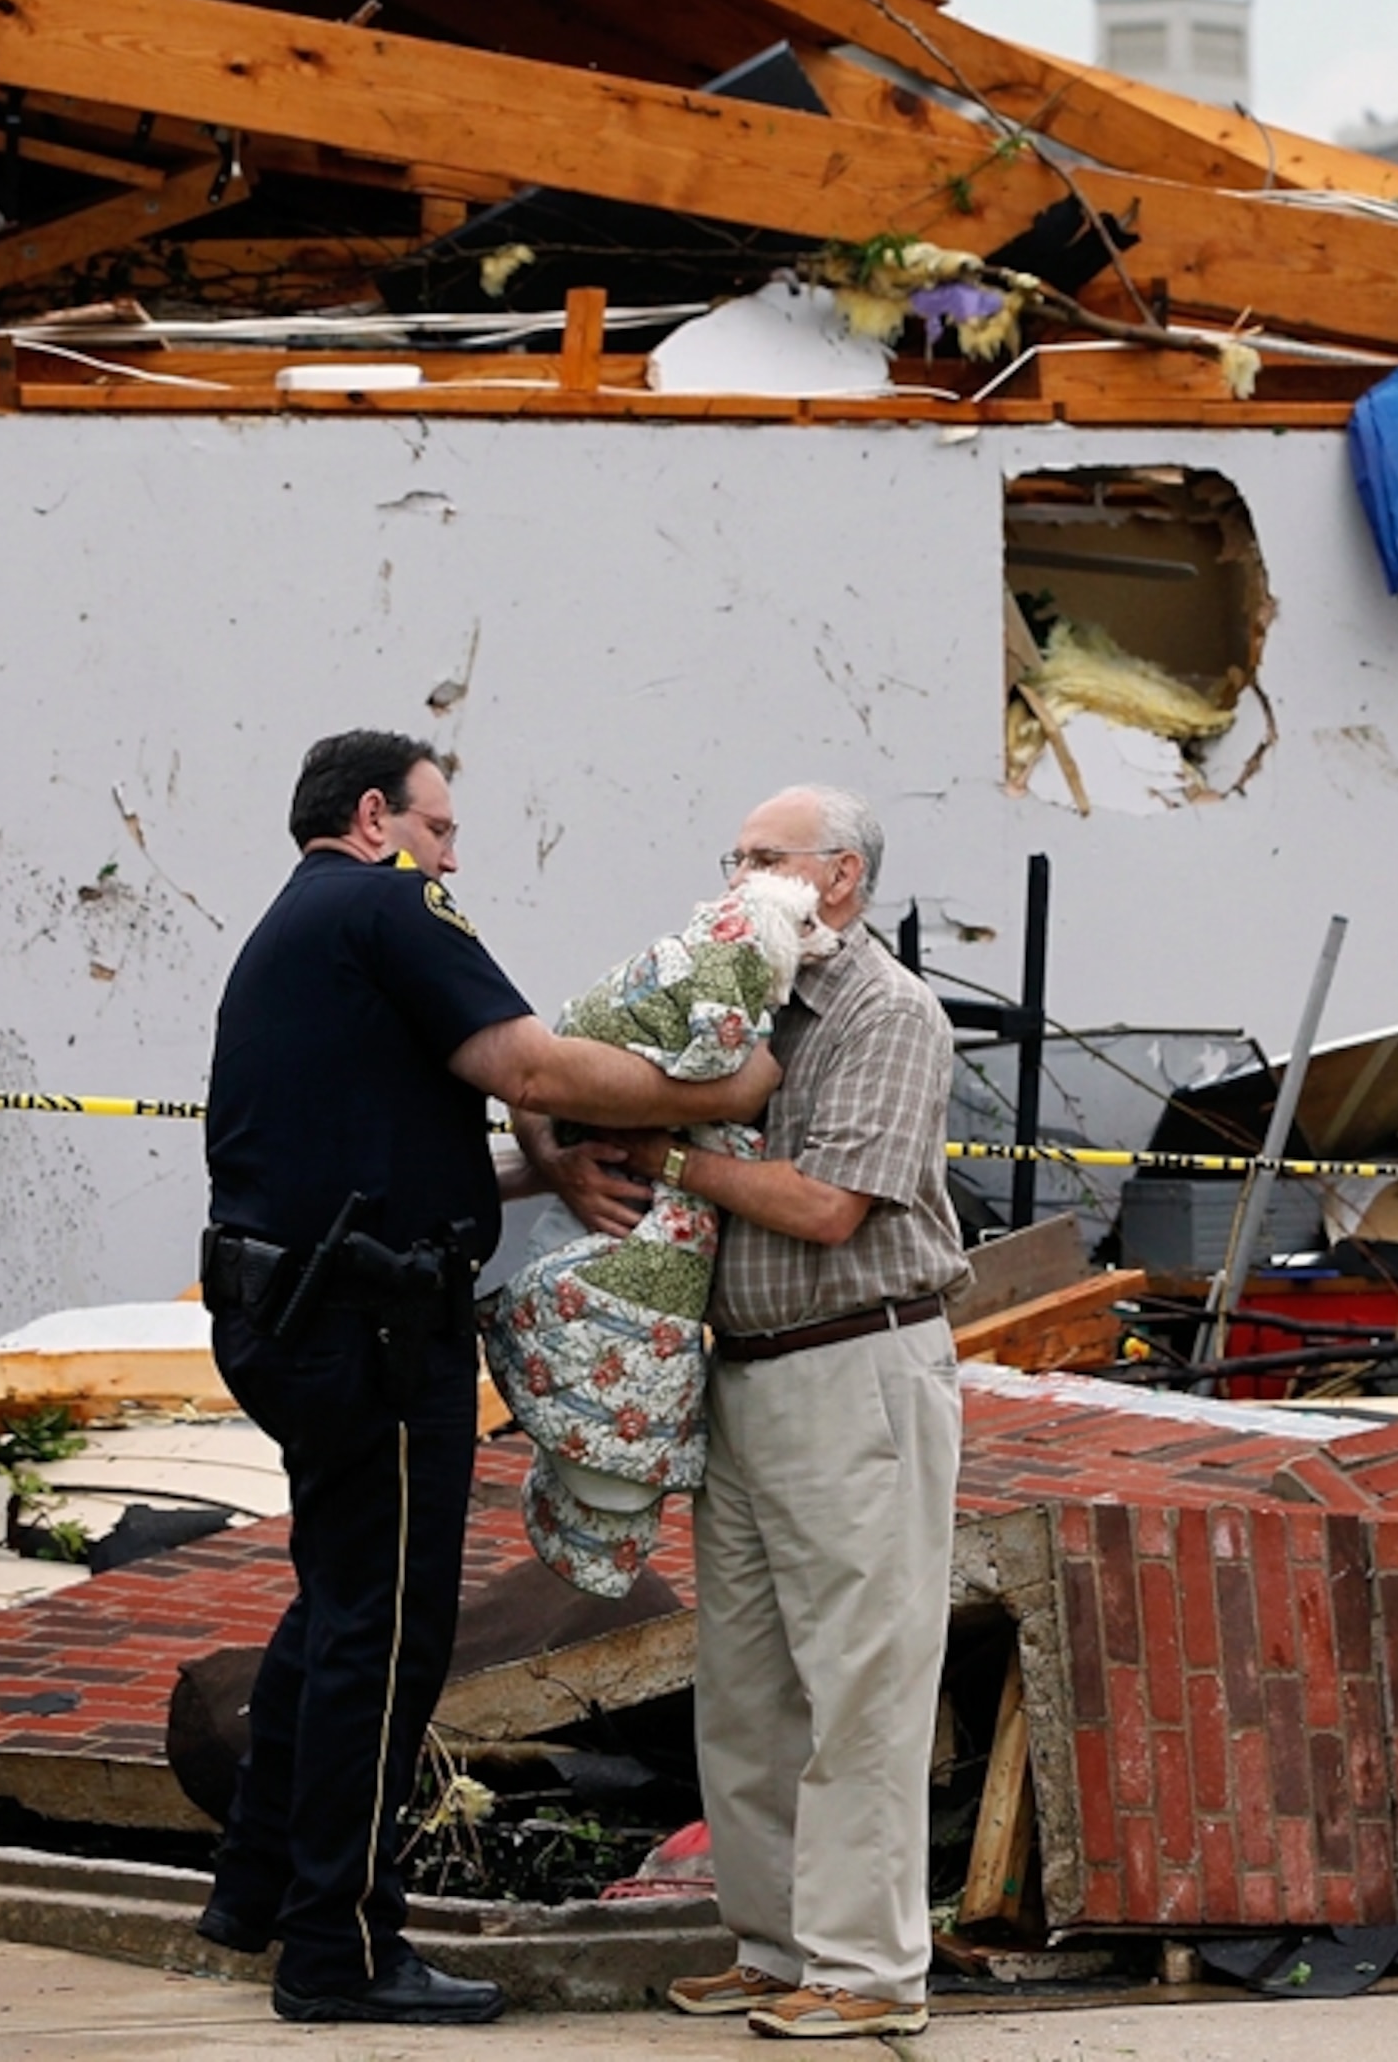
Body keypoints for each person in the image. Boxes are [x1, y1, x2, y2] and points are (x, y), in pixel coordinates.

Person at [197, 730, 778, 2027]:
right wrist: (717, 1085)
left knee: (343, 1599)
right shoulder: (389, 901)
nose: (455, 855)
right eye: (441, 827)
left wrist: (544, 1172)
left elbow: (401, 1141)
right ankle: (340, 1949)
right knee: (389, 1637)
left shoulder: (301, 931)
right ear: (372, 817)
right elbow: (528, 1062)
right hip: (371, 1327)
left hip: (293, 1309)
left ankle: (253, 1888)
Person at [559, 785, 966, 2041]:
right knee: (744, 1685)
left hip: (857, 1366)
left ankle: (868, 1967)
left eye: (762, 857)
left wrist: (667, 1153)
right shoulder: (741, 1008)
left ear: (837, 878)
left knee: (861, 1678)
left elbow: (825, 1205)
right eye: (730, 856)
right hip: (746, 1371)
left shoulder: (887, 1013)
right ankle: (775, 1942)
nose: (735, 879)